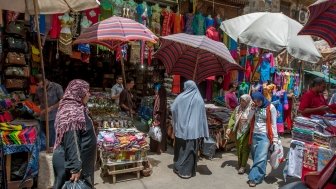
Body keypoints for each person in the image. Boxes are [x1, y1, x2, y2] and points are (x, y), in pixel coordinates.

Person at [52, 79, 96, 189]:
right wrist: (75, 167)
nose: (89, 94)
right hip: (73, 165)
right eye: (87, 91)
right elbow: (72, 140)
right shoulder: (72, 113)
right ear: (79, 92)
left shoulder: (74, 108)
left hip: (78, 162)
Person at [171, 80, 209, 179]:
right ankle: (186, 172)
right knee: (190, 150)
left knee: (180, 149)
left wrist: (179, 118)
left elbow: (173, 109)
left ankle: (178, 168)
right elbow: (202, 116)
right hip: (193, 130)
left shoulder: (180, 97)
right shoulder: (199, 99)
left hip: (180, 129)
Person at [248, 92, 278, 187]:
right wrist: (252, 109)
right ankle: (261, 174)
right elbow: (249, 119)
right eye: (255, 101)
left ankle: (254, 178)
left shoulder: (271, 107)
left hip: (265, 135)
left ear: (262, 98)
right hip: (254, 134)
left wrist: (275, 139)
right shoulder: (254, 107)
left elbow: (274, 124)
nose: (258, 103)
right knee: (256, 156)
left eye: (259, 101)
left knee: (260, 157)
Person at [226, 94, 255, 174]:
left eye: (244, 101)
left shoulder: (252, 109)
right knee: (239, 148)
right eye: (241, 100)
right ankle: (240, 163)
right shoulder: (237, 108)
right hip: (238, 131)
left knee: (245, 149)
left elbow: (253, 120)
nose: (241, 102)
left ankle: (243, 166)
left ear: (248, 101)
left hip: (247, 132)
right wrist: (229, 128)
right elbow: (232, 118)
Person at [35, 74, 64, 149]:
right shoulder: (38, 89)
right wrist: (36, 108)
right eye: (38, 85)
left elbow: (62, 101)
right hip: (42, 117)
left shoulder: (56, 87)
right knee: (42, 138)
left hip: (53, 117)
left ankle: (53, 154)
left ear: (45, 81)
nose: (40, 87)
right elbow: (36, 102)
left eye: (40, 84)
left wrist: (51, 108)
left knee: (52, 138)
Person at [150, 75, 167, 154]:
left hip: (159, 116)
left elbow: (161, 106)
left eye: (156, 90)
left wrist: (158, 114)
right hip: (155, 116)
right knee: (154, 131)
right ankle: (154, 148)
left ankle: (159, 148)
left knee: (159, 131)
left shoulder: (161, 96)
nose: (155, 91)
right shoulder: (156, 97)